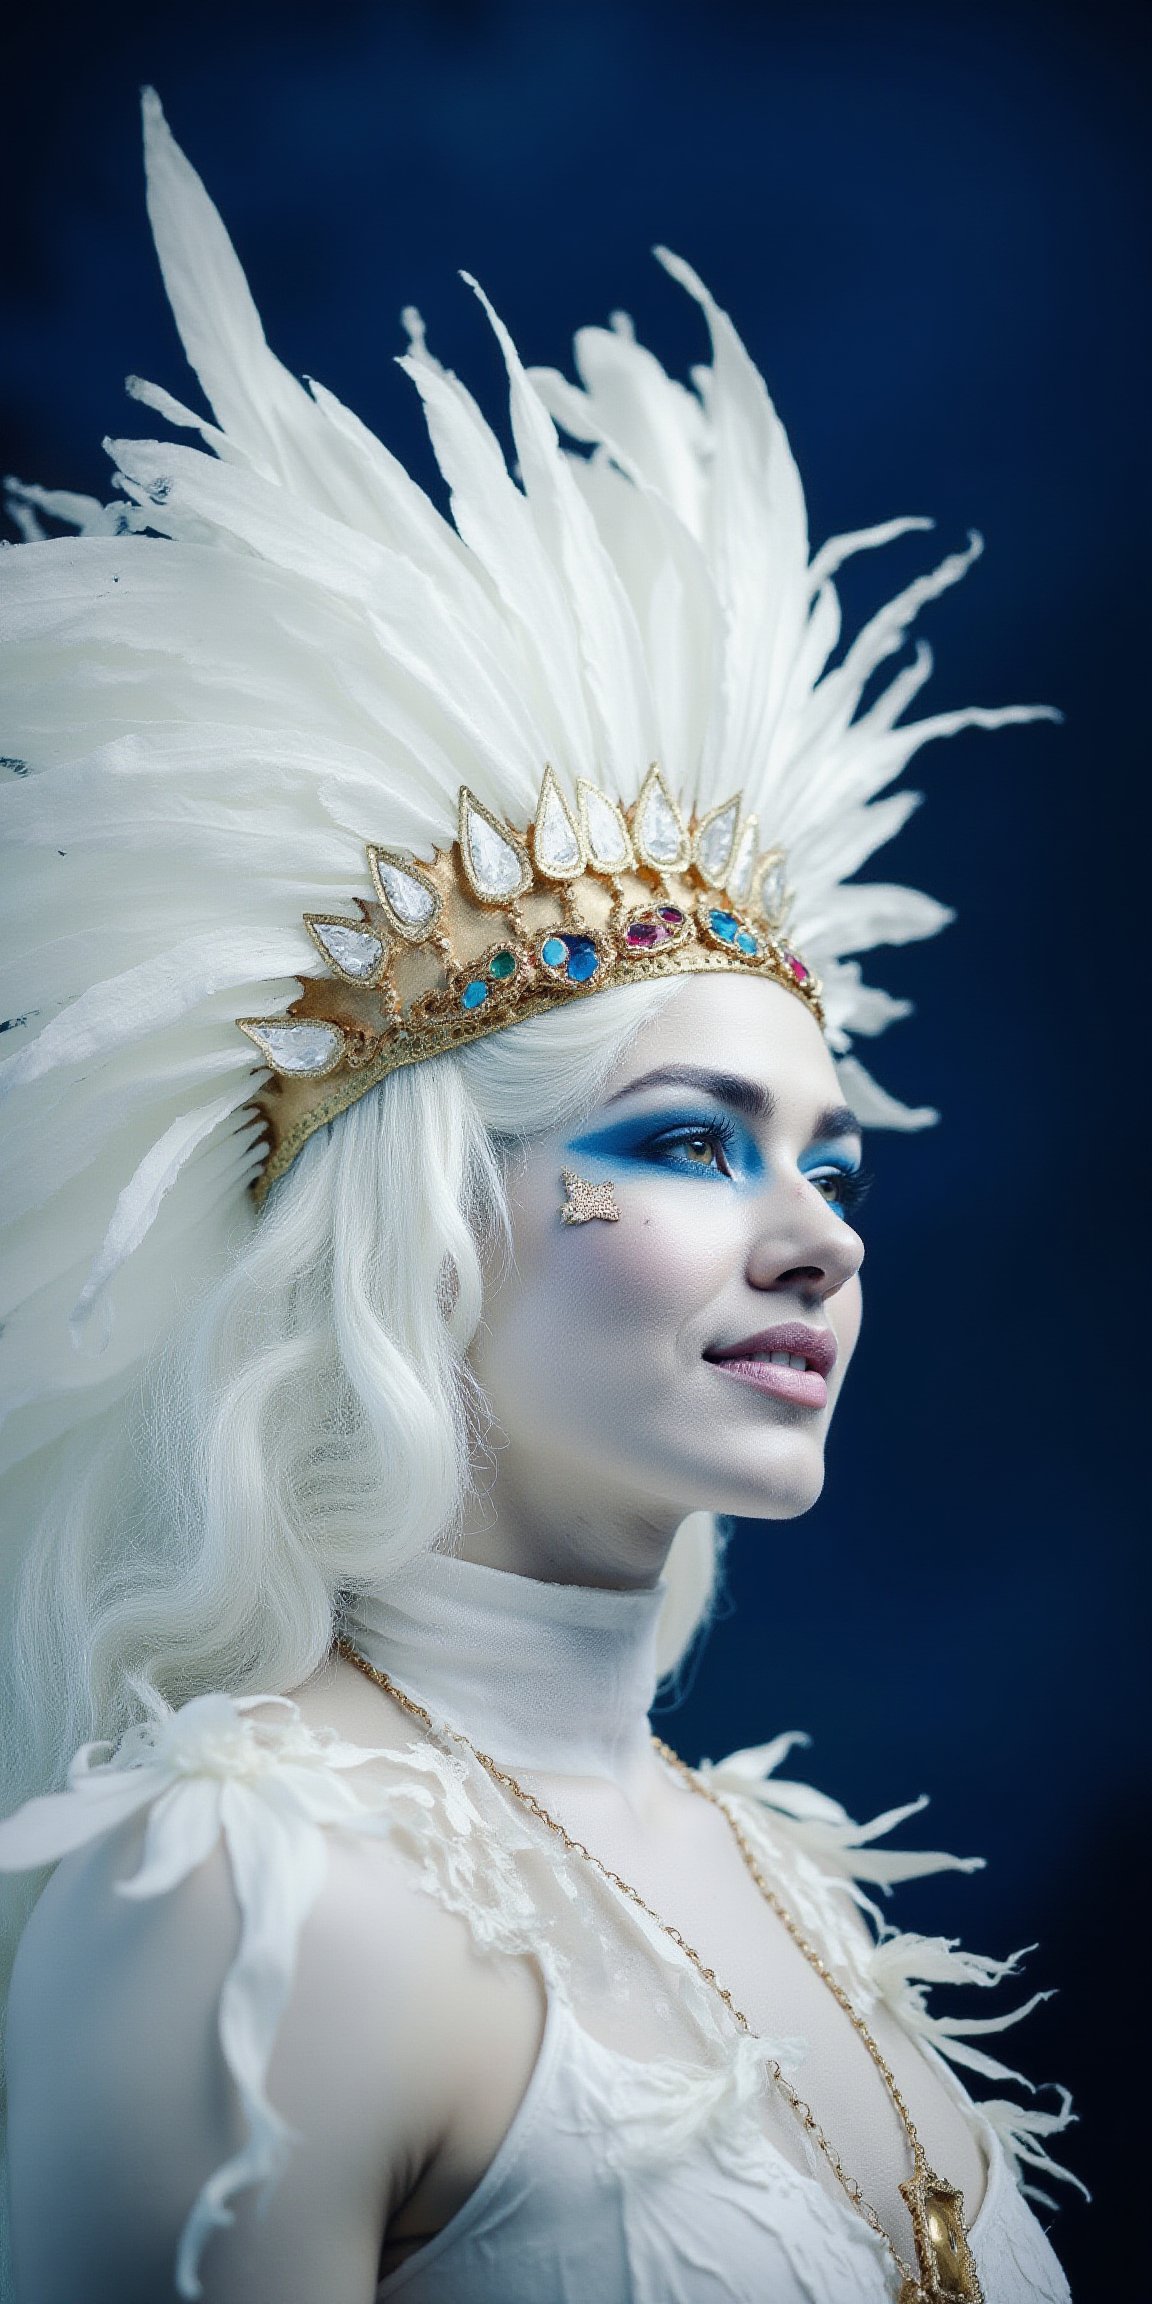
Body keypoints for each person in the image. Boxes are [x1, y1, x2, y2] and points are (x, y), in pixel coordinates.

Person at [0, 92, 1079, 2304]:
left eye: (824, 1154)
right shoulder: (230, 1887)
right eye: (686, 1139)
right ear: (406, 1229)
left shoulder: (796, 1890)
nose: (822, 1235)